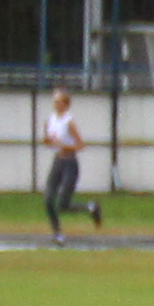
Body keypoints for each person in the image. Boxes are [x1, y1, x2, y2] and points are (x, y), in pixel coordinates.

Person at [41, 86, 103, 239]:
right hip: (58, 161)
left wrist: (63, 144)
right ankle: (57, 233)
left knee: (63, 204)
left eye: (60, 102)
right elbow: (49, 142)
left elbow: (81, 145)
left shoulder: (69, 122)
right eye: (55, 101)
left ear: (66, 104)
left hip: (70, 163)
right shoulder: (50, 120)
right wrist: (47, 140)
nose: (56, 104)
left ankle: (91, 207)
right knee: (48, 199)